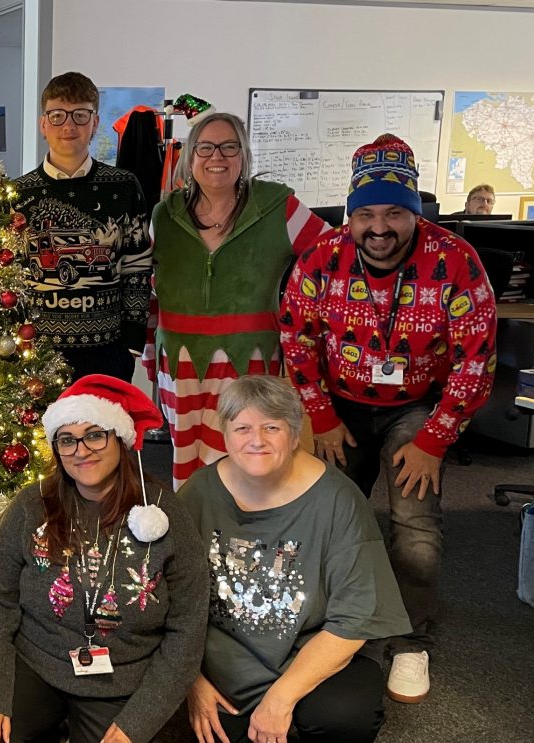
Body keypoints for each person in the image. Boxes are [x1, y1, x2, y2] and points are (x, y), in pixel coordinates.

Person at [279, 134, 497, 705]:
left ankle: (409, 640)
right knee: (325, 516)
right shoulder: (321, 258)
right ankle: (324, 623)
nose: (379, 228)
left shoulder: (455, 260)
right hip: (339, 406)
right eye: (366, 214)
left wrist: (434, 440)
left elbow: (477, 359)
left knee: (415, 525)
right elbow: (296, 339)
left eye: (394, 213)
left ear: (415, 213)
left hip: (418, 406)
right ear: (351, 216)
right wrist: (320, 416)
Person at [0, 374, 208, 743]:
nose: (81, 450)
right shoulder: (31, 505)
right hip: (38, 663)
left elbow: (188, 627)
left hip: (123, 677)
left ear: (119, 438)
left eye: (94, 435)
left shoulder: (163, 514)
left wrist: (139, 721)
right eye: (67, 440)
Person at [178, 375, 410, 743]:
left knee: (343, 716)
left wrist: (280, 699)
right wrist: (191, 681)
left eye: (272, 427)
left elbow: (354, 617)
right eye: (242, 428)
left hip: (310, 648)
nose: (257, 440)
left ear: (294, 433)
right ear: (225, 434)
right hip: (223, 658)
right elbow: (168, 601)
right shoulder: (197, 492)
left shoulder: (338, 500)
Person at [145, 112, 327, 489]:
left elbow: (334, 258)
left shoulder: (278, 207)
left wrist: (299, 322)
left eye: (229, 147)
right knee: (187, 464)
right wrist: (149, 351)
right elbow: (149, 287)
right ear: (190, 157)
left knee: (246, 457)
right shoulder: (164, 215)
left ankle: (241, 525)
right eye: (205, 147)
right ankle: (193, 526)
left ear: (243, 155)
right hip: (180, 361)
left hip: (250, 359)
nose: (217, 157)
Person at [13, 72, 152, 383]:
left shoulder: (124, 186)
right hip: (36, 354)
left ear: (95, 123)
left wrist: (131, 343)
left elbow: (137, 266)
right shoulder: (17, 194)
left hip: (108, 353)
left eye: (80, 115)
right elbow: (7, 275)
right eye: (58, 115)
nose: (68, 126)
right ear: (43, 124)